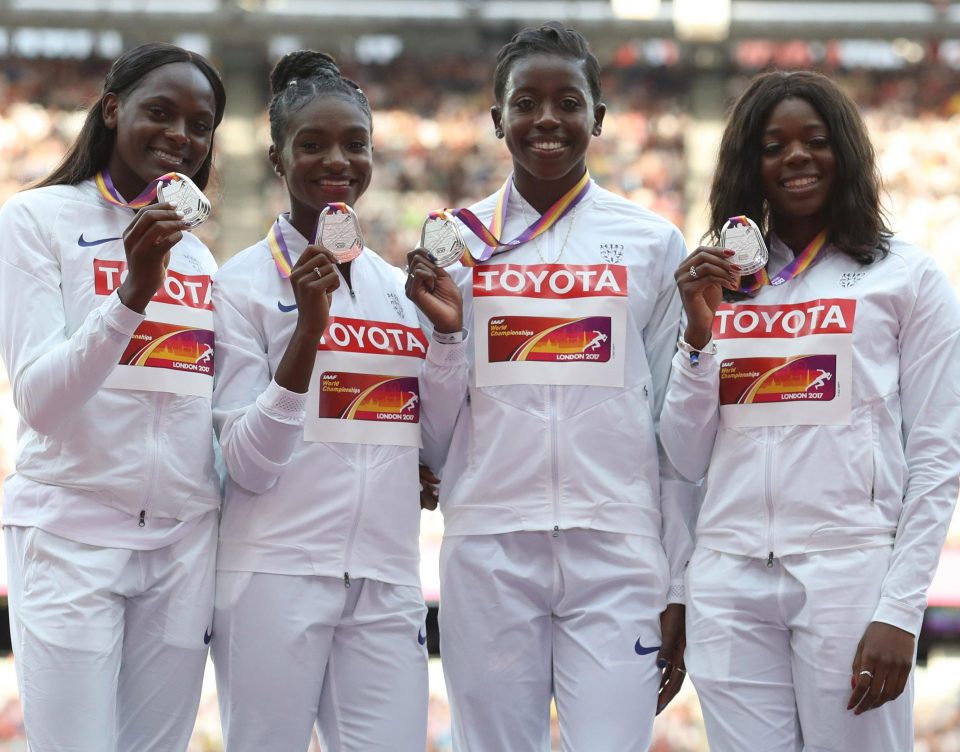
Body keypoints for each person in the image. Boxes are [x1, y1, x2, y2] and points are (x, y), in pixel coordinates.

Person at [660, 70, 960, 751]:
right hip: (728, 580)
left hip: (848, 575)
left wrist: (901, 610)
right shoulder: (719, 284)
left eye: (815, 141)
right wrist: (699, 338)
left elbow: (940, 456)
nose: (796, 157)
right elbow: (682, 455)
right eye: (773, 146)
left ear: (845, 152)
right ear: (749, 165)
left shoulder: (906, 277)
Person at [424, 22, 695, 751]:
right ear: (497, 119)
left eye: (568, 101)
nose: (547, 118)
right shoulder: (453, 245)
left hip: (618, 552)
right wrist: (448, 339)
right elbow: (434, 426)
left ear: (598, 117)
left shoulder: (652, 241)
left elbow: (678, 426)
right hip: (488, 548)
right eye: (526, 102)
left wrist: (677, 580)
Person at [210, 50, 466, 751]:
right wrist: (308, 332)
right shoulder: (240, 286)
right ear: (276, 158)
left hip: (385, 577)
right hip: (273, 576)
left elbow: (437, 451)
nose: (338, 161)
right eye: (312, 144)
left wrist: (446, 342)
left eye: (355, 144)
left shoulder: (397, 289)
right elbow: (248, 465)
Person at [0, 43, 226, 751]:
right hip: (71, 539)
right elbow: (39, 400)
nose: (180, 137)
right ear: (111, 108)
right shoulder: (35, 220)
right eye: (160, 112)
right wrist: (131, 291)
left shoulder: (197, 254)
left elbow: (205, 407)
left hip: (181, 547)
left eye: (199, 124)